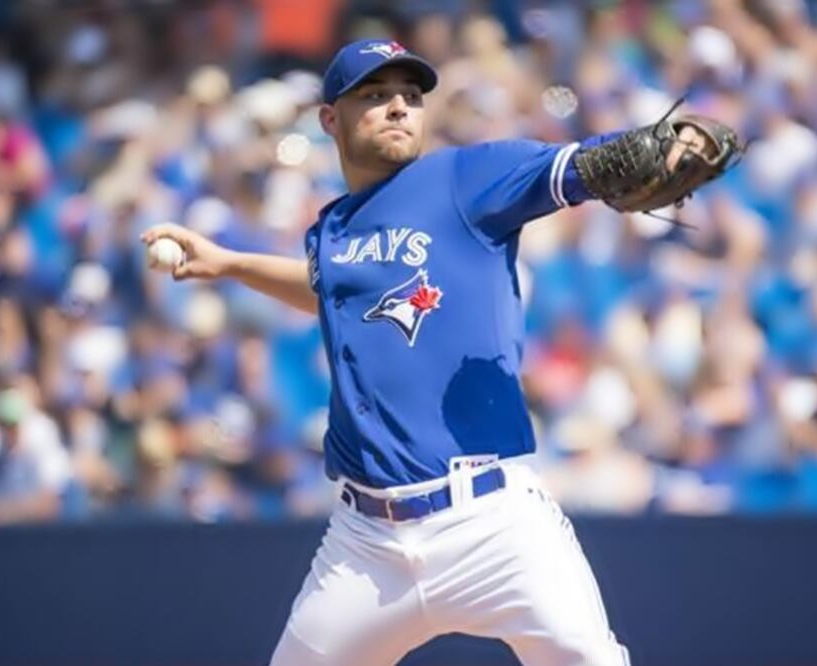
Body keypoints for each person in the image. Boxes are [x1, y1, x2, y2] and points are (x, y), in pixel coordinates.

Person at [143, 39, 727, 666]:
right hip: (365, 545)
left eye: (411, 95)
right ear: (330, 119)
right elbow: (332, 291)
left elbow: (577, 166)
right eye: (375, 95)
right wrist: (230, 263)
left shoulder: (465, 179)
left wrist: (655, 146)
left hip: (491, 524)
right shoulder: (332, 228)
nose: (399, 106)